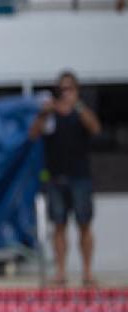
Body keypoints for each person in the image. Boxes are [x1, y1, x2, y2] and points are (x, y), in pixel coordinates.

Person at [29, 71, 102, 287]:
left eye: (70, 88)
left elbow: (96, 129)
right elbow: (32, 135)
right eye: (62, 89)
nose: (65, 92)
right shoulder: (50, 114)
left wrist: (77, 105)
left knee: (84, 224)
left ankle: (87, 272)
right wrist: (43, 114)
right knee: (59, 225)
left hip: (80, 176)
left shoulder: (81, 112)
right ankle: (61, 272)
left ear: (77, 90)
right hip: (55, 178)